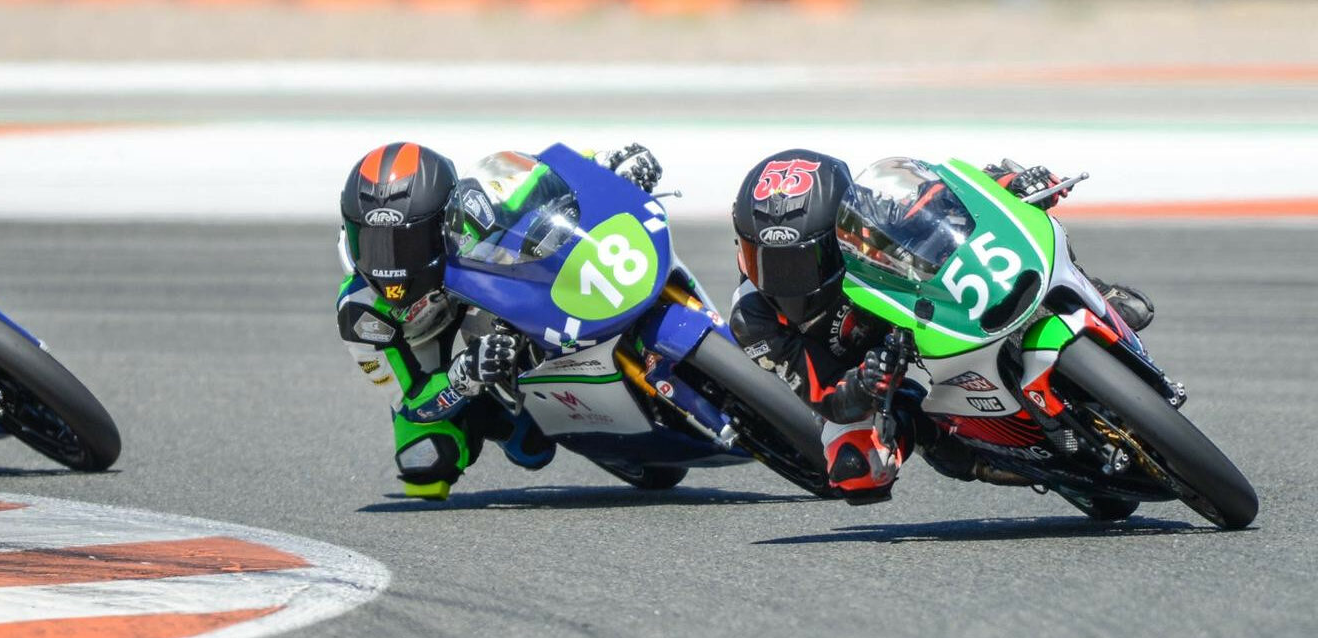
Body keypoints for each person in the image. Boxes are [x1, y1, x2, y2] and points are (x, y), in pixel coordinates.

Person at [727, 149, 1157, 504]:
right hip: (866, 372)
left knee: (1025, 226)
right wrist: (864, 385)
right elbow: (824, 396)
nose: (782, 280)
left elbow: (947, 203)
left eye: (801, 261)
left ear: (837, 228)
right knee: (855, 470)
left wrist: (1009, 185)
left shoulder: (871, 211)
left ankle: (1089, 292)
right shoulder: (753, 319)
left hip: (919, 305)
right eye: (763, 258)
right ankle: (960, 444)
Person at [336, 140, 662, 499]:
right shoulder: (360, 313)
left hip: (478, 304)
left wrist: (609, 162)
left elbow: (545, 178)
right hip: (427, 358)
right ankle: (506, 415)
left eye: (405, 244)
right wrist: (463, 377)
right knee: (432, 462)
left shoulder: (473, 208)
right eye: (372, 243)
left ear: (442, 220)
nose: (389, 263)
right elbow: (411, 401)